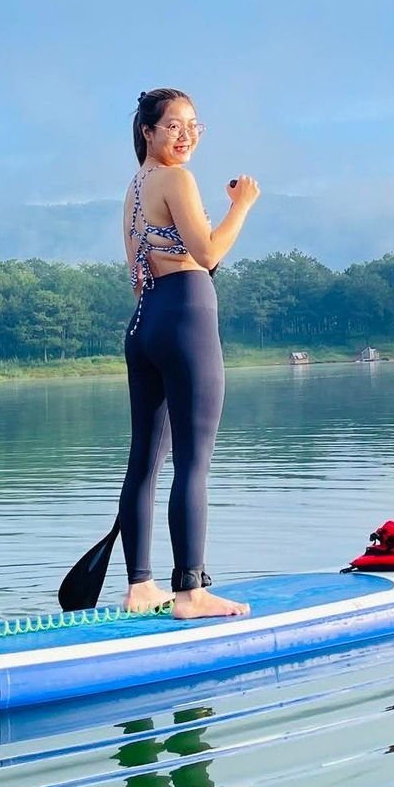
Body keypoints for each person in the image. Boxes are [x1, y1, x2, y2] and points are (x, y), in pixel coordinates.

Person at [120, 88, 259, 619]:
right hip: (185, 318)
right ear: (148, 132)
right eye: (174, 125)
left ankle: (140, 587)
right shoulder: (176, 178)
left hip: (145, 322)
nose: (187, 135)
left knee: (144, 464)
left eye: (194, 125)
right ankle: (190, 592)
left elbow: (146, 267)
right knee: (193, 463)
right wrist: (240, 206)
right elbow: (208, 254)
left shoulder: (135, 188)